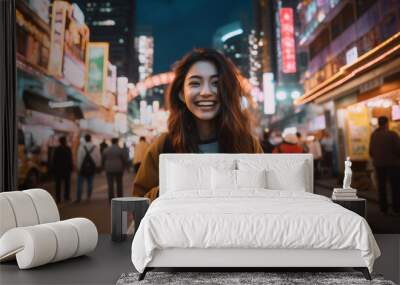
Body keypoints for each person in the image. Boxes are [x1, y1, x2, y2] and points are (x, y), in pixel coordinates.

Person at [132, 48, 263, 201]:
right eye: (195, 83)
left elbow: (264, 199)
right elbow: (138, 204)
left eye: (216, 83)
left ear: (227, 90)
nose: (206, 92)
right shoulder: (164, 146)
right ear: (181, 93)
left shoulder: (247, 144)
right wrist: (172, 190)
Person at [369, 116, 400, 215]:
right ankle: (396, 208)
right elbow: (398, 149)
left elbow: (371, 151)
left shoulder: (374, 135)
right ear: (387, 124)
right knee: (395, 187)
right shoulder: (392, 134)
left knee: (382, 187)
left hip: (379, 164)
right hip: (393, 164)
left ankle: (383, 208)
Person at [76, 134, 100, 202]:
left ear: (85, 139)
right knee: (90, 182)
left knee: (80, 183)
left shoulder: (81, 147)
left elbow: (79, 158)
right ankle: (88, 197)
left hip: (82, 168)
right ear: (90, 139)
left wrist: (78, 167)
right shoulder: (95, 147)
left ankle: (78, 198)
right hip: (91, 168)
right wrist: (98, 166)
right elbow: (98, 157)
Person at [52, 136, 73, 203]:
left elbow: (54, 160)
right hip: (66, 170)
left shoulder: (57, 149)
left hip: (59, 170)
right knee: (67, 184)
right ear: (65, 141)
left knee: (58, 185)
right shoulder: (68, 149)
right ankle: (66, 197)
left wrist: (54, 169)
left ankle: (58, 199)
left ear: (60, 142)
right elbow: (70, 159)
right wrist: (71, 168)